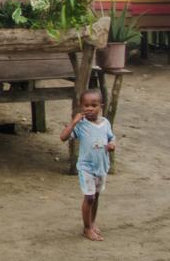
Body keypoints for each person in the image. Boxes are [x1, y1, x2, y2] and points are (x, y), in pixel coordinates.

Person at [60, 89, 116, 241]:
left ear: (101, 106)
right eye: (86, 105)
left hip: (101, 166)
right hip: (86, 167)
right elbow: (63, 137)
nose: (90, 108)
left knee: (96, 196)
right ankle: (86, 228)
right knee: (89, 197)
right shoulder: (81, 125)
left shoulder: (105, 123)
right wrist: (74, 121)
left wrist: (111, 145)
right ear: (81, 107)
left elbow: (111, 138)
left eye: (94, 105)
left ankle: (92, 222)